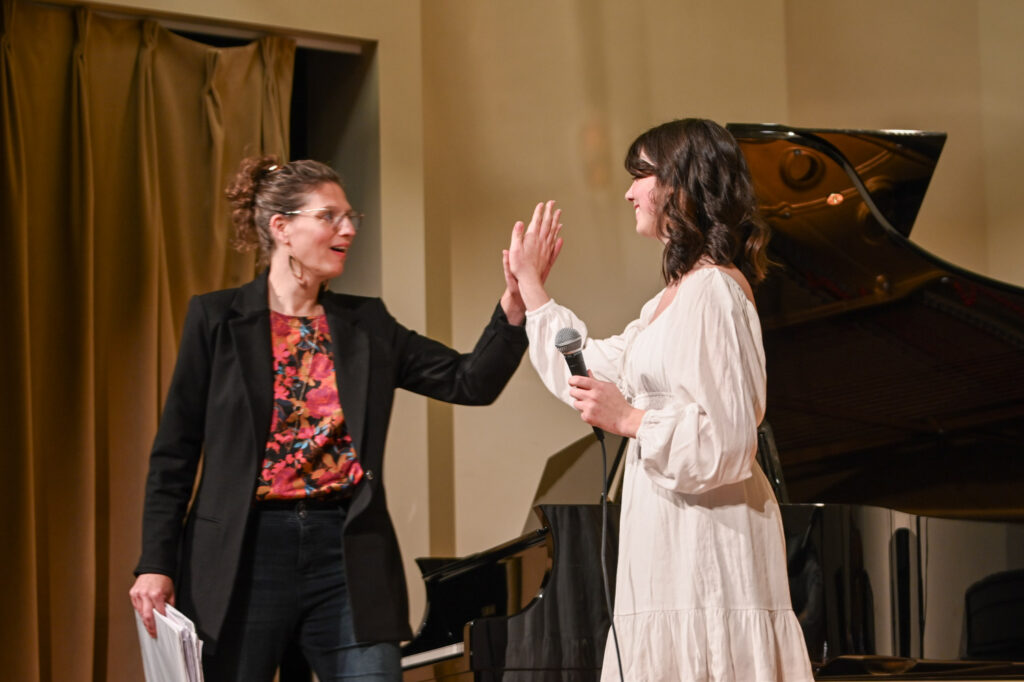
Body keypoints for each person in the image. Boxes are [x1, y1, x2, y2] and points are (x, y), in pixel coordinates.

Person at [129, 156, 533, 681]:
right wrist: (155, 562)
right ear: (282, 228)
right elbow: (175, 453)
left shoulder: (367, 324)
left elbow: (469, 381)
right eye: (329, 216)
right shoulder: (217, 319)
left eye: (350, 217)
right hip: (245, 554)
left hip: (346, 552)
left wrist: (515, 307)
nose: (348, 229)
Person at [505, 118, 814, 681]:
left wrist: (630, 419)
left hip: (709, 541)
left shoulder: (714, 291)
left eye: (641, 175)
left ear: (681, 185)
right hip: (667, 534)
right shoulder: (668, 301)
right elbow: (588, 368)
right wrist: (533, 289)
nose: (628, 193)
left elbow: (727, 444)